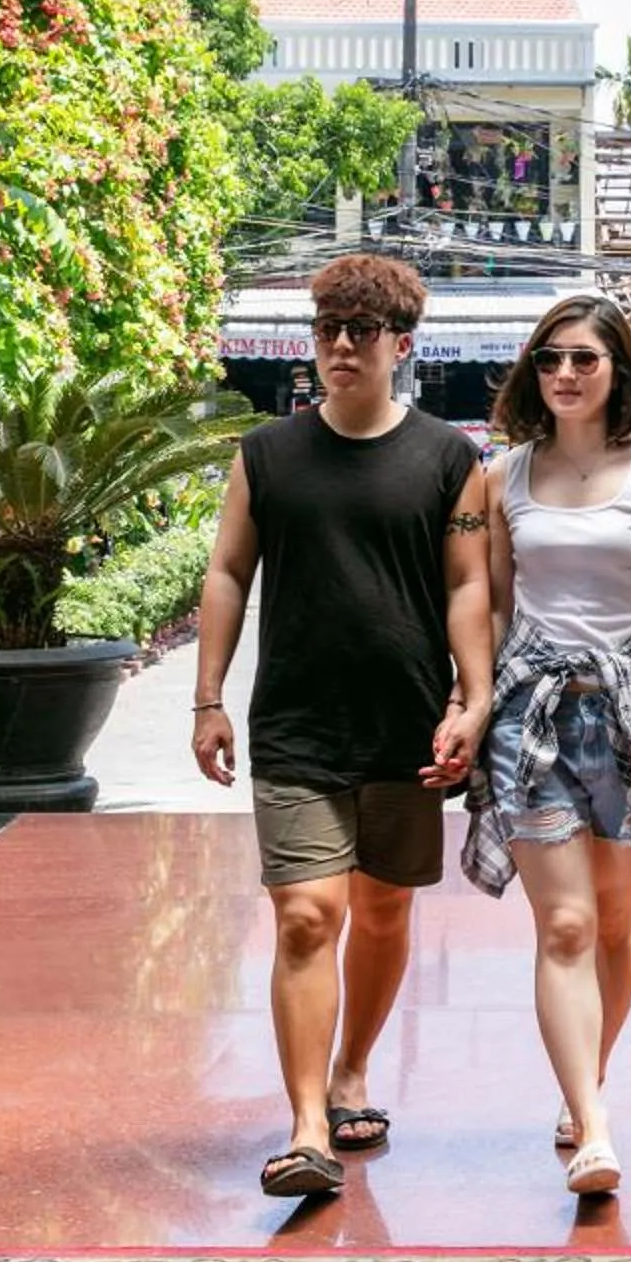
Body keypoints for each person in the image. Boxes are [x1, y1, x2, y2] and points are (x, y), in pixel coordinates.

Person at [193, 252, 493, 1199]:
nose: (340, 349)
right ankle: (307, 1126)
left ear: (403, 345)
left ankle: (354, 1067)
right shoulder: (267, 456)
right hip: (294, 724)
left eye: (360, 333)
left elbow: (468, 584)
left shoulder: (452, 459)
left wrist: (471, 699)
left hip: (407, 723)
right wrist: (207, 696)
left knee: (386, 909)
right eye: (327, 331)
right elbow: (229, 573)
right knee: (307, 913)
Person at [462, 294, 631, 1196]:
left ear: (619, 372)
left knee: (611, 920)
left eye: (584, 360)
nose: (563, 374)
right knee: (562, 924)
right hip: (533, 715)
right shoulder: (505, 477)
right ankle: (595, 1129)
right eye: (550, 359)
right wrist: (472, 701)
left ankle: (584, 1087)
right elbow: (487, 604)